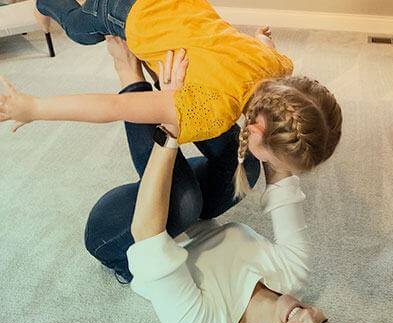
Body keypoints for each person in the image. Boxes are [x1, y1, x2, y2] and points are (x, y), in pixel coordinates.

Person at [120, 42, 375, 323]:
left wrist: (168, 125)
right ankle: (174, 64)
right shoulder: (291, 273)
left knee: (184, 203)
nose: (308, 314)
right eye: (324, 321)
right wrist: (265, 89)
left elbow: (147, 235)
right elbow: (281, 174)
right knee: (249, 166)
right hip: (191, 218)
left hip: (126, 233)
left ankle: (130, 71)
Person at [2, 0, 342, 197]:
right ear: (252, 133)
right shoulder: (212, 109)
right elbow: (115, 107)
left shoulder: (276, 66)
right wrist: (34, 108)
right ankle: (45, 3)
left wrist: (259, 38)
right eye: (275, 162)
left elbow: (268, 48)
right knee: (81, 29)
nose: (272, 168)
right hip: (125, 12)